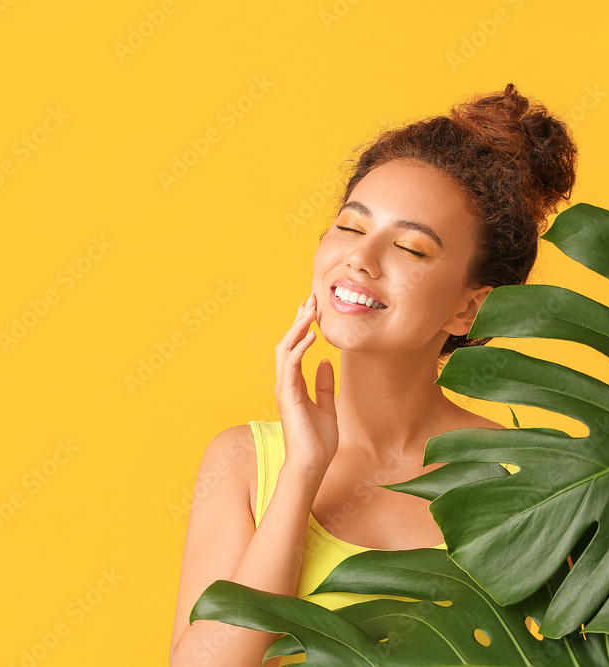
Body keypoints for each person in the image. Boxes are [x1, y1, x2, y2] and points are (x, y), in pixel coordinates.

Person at [169, 83, 579, 666]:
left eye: (411, 248)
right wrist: (303, 472)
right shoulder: (243, 463)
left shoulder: (541, 477)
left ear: (471, 308)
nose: (361, 258)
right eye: (351, 227)